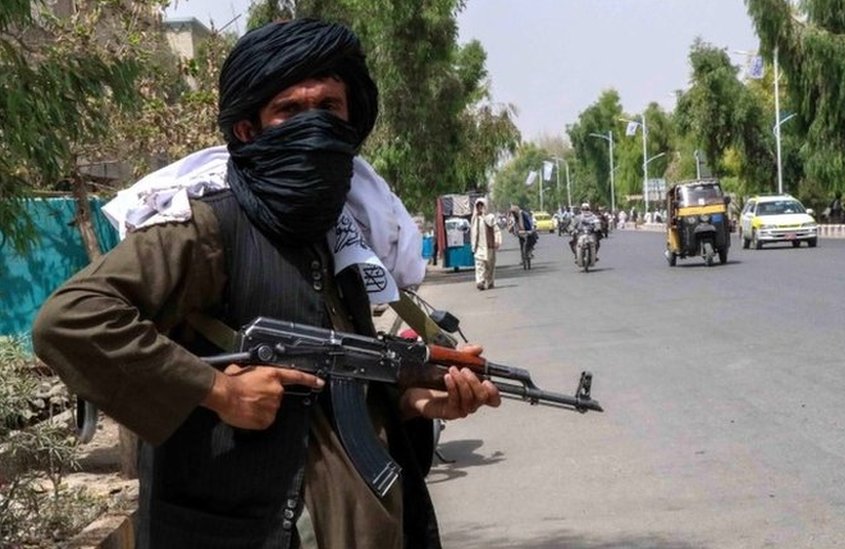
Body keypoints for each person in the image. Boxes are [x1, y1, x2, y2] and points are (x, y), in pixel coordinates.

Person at [32, 18, 500, 549]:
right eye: (290, 111)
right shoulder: (207, 227)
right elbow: (70, 319)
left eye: (329, 107)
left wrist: (414, 401)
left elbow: (336, 383)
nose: (314, 127)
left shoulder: (337, 230)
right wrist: (220, 391)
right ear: (248, 130)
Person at [470, 197, 499, 290]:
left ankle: (490, 282)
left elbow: (496, 230)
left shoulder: (490, 217)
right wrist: (473, 245)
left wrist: (497, 240)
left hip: (489, 246)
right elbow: (473, 233)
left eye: (482, 206)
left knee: (490, 266)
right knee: (479, 264)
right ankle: (480, 281)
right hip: (479, 246)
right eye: (478, 206)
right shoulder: (474, 219)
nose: (480, 208)